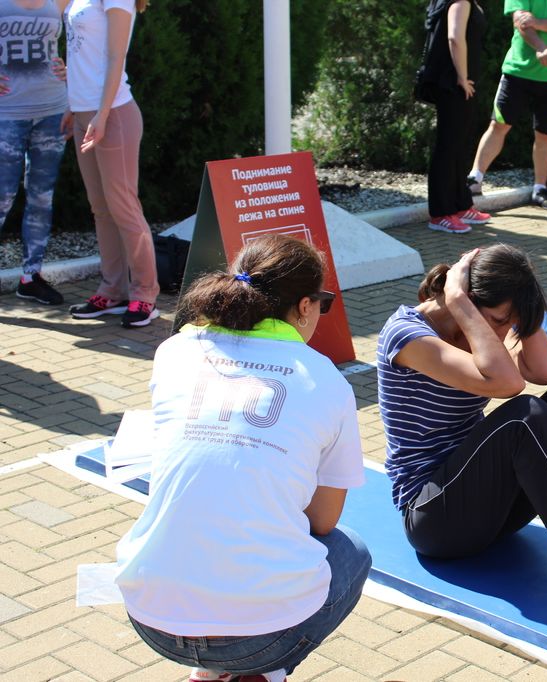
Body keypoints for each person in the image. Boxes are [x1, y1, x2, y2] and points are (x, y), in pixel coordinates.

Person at [115, 235, 371, 682]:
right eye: (323, 303)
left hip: (151, 619)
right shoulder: (326, 380)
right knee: (352, 550)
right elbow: (323, 521)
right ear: (305, 306)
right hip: (259, 637)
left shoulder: (174, 351)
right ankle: (264, 672)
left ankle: (212, 671)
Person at [377, 244, 547, 575]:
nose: (501, 332)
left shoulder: (481, 331)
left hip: (488, 510)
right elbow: (508, 384)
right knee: (524, 418)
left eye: (510, 324)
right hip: (433, 518)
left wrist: (524, 312)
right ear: (466, 300)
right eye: (497, 321)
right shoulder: (406, 335)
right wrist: (458, 300)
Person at [59, 0, 159, 327]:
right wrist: (75, 106)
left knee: (123, 207)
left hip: (113, 115)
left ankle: (145, 294)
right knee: (101, 208)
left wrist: (101, 115)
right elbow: (83, 55)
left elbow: (116, 56)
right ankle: (112, 290)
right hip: (85, 113)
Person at [466, 0, 547, 211]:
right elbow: (520, 22)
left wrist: (537, 22)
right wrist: (541, 47)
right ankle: (474, 180)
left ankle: (540, 189)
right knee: (498, 125)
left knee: (544, 134)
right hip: (517, 71)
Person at [1, 0, 68, 305]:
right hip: (6, 114)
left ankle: (31, 277)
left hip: (52, 112)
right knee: (2, 197)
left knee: (41, 198)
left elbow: (87, 37)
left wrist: (72, 70)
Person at [421, 0, 492, 234]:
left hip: (460, 85)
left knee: (460, 145)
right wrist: (462, 77)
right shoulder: (460, 1)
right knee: (448, 147)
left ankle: (461, 205)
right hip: (454, 84)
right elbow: (454, 37)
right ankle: (440, 213)